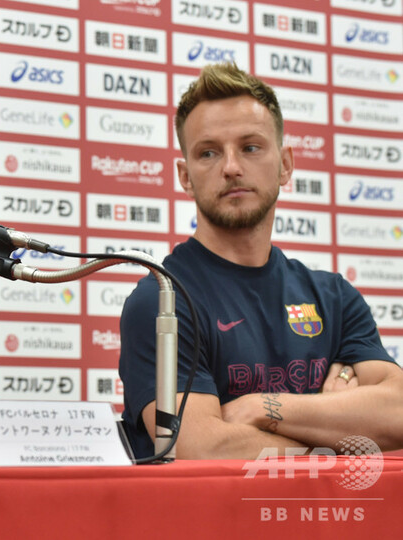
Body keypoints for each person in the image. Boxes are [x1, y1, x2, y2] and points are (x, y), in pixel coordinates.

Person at [119, 63, 403, 459]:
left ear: (285, 164)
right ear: (185, 176)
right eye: (208, 153)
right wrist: (341, 434)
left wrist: (264, 409)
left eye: (250, 147)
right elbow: (204, 450)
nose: (231, 167)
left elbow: (397, 414)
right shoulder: (163, 302)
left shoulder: (335, 298)